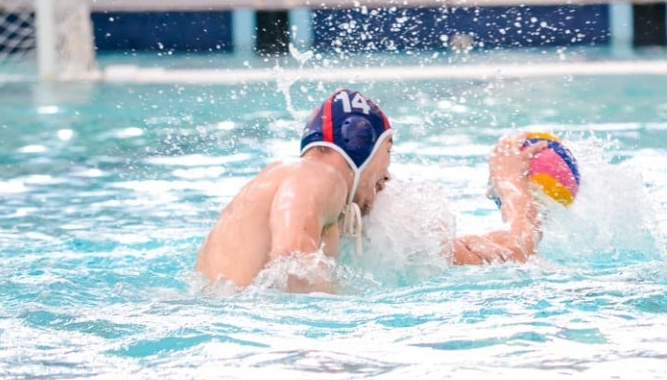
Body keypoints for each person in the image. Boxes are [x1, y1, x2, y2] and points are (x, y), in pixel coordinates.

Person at [196, 88, 548, 292]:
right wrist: (346, 322)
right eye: (389, 152)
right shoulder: (314, 174)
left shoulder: (343, 222)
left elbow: (506, 253)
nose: (388, 176)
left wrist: (511, 185)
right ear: (362, 148)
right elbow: (291, 259)